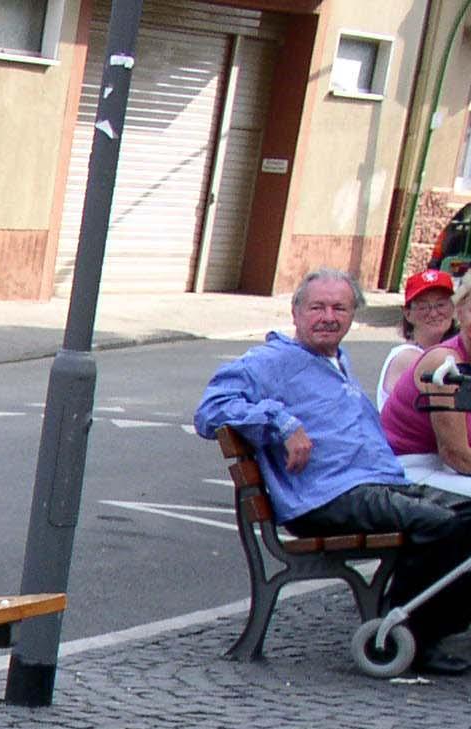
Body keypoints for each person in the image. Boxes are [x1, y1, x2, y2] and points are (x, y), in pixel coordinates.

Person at [195, 267, 471, 673]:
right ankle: (409, 635)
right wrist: (282, 423)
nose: (328, 316)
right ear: (296, 312)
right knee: (446, 526)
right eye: (317, 307)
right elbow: (210, 410)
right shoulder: (273, 360)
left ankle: (413, 624)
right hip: (327, 497)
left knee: (464, 517)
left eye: (339, 308)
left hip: (372, 484)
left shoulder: (335, 360)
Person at [384, 270, 471, 498]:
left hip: (446, 470)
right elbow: (455, 454)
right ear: (459, 312)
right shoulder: (444, 361)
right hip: (409, 468)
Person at [376, 267, 458, 403]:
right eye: (423, 307)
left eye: (441, 305)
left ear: (453, 308)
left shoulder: (440, 351)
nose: (433, 313)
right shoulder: (409, 357)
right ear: (407, 313)